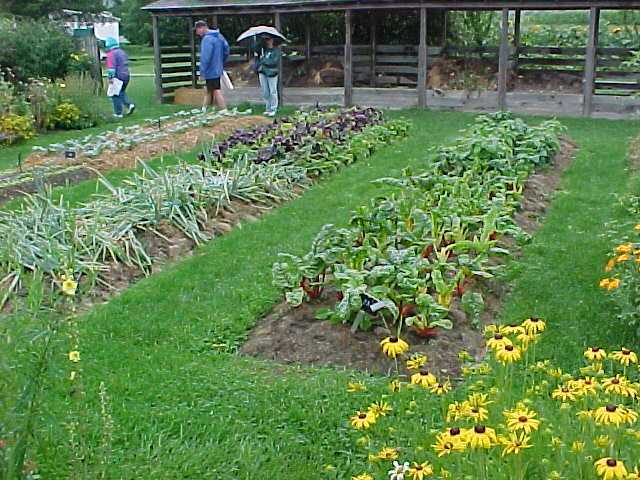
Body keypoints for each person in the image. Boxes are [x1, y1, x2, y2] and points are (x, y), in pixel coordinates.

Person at [195, 20, 229, 113]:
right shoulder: (219, 36)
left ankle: (224, 109)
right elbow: (226, 50)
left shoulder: (207, 39)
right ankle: (204, 109)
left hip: (210, 70)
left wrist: (202, 72)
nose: (197, 33)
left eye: (197, 30)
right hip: (218, 68)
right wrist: (221, 61)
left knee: (215, 90)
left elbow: (205, 57)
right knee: (209, 89)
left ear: (202, 28)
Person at [105, 37, 135, 119]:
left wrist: (110, 78)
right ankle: (130, 104)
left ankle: (118, 113)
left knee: (115, 94)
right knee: (121, 92)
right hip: (126, 75)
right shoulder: (122, 52)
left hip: (118, 76)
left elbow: (111, 68)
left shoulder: (111, 54)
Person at [254, 36, 281, 117]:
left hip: (271, 73)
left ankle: (273, 108)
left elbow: (274, 62)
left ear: (272, 40)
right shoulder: (263, 50)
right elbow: (255, 49)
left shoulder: (276, 51)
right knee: (265, 91)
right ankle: (268, 107)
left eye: (268, 39)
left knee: (273, 91)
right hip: (263, 72)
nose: (267, 41)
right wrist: (259, 42)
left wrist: (263, 61)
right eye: (266, 40)